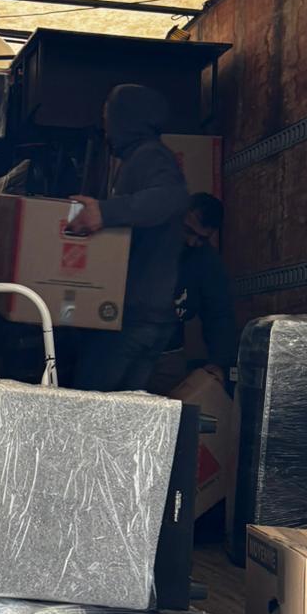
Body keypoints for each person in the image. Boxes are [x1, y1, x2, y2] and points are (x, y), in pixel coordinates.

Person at [65, 82, 188, 392]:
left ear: (126, 119)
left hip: (134, 317)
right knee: (121, 416)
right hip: (142, 316)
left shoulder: (150, 156)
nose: (104, 123)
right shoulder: (137, 158)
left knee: (92, 406)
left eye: (109, 116)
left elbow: (171, 197)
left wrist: (105, 213)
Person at [169, 192, 238, 385]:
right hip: (124, 344)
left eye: (202, 238)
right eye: (188, 231)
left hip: (168, 352)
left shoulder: (207, 262)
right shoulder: (150, 241)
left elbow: (219, 315)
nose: (192, 242)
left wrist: (218, 362)